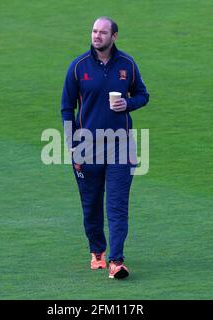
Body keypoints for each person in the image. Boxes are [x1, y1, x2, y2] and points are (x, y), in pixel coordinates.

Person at [61, 17, 149, 279]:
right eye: (94, 31)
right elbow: (67, 108)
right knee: (91, 205)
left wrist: (128, 104)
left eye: (102, 32)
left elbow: (143, 95)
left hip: (121, 145)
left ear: (114, 37)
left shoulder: (127, 65)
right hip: (87, 146)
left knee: (118, 204)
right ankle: (97, 251)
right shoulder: (78, 67)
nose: (97, 36)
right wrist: (71, 145)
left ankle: (116, 261)